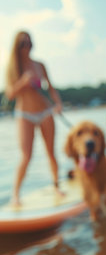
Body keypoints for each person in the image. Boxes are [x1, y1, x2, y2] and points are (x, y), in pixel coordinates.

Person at [5, 31, 64, 206]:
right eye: (23, 43)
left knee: (51, 153)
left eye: (29, 43)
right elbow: (9, 94)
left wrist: (58, 103)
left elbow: (51, 88)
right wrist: (23, 82)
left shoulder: (40, 65)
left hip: (45, 111)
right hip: (24, 115)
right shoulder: (13, 67)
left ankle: (56, 186)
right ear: (17, 46)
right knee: (26, 156)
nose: (27, 47)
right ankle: (15, 195)